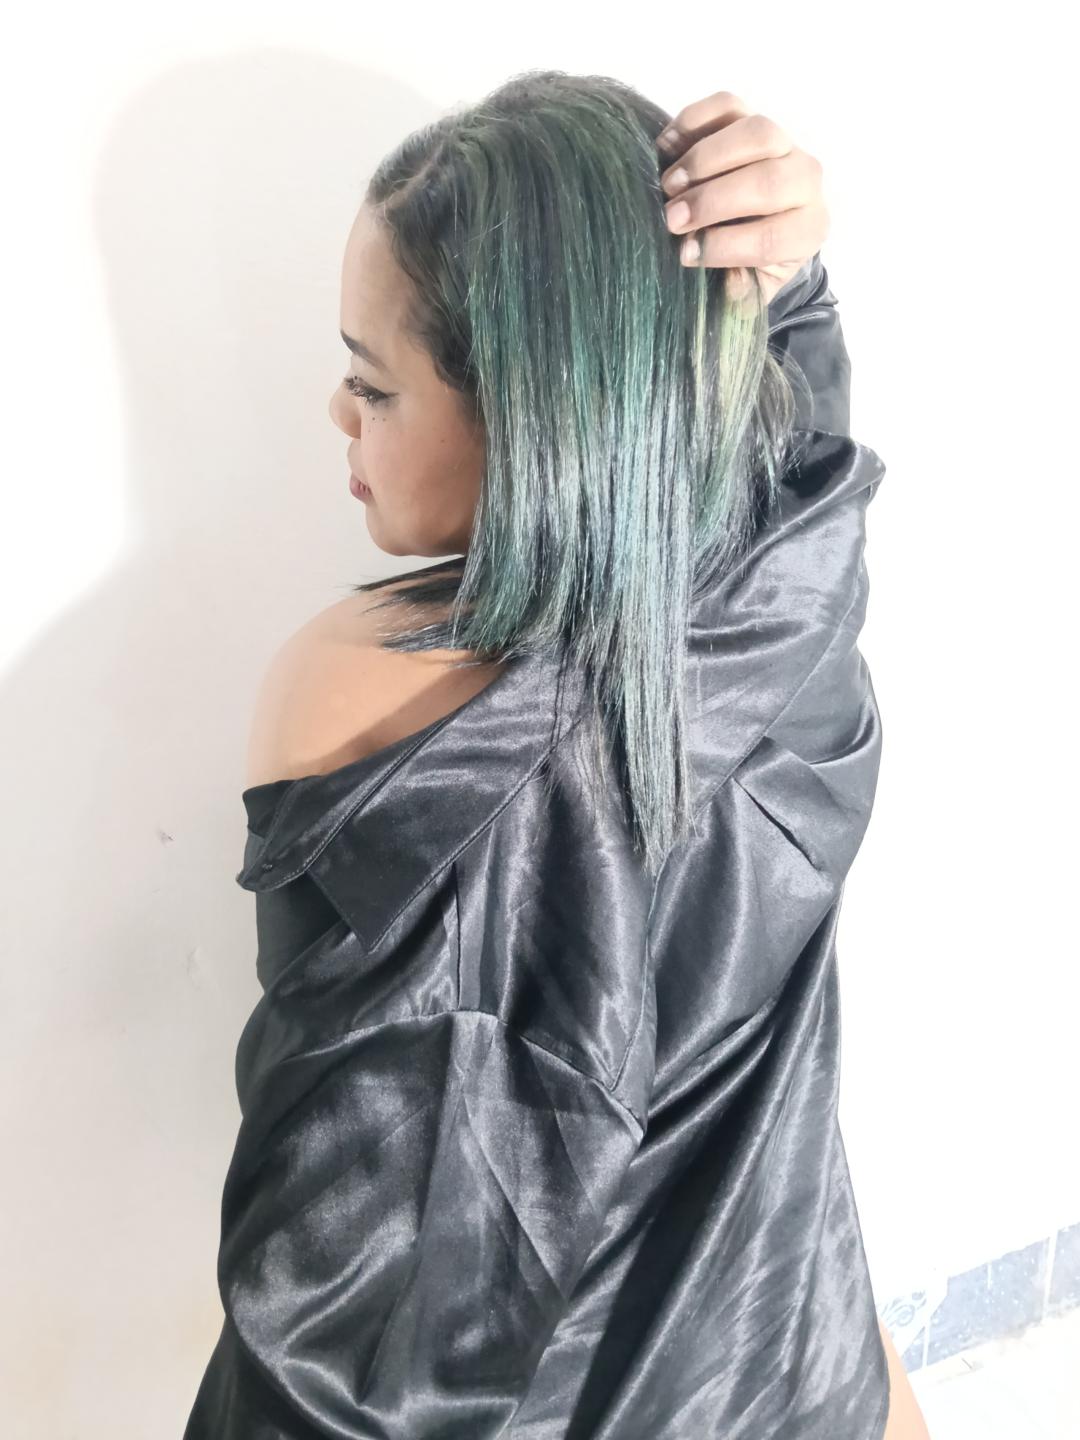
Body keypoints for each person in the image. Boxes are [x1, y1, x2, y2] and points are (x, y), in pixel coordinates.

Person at [184, 73, 931, 1440]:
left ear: (540, 419)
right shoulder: (799, 586)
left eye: (373, 384)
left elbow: (355, 1339)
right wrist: (789, 269)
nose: (339, 416)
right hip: (818, 1369)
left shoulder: (368, 707)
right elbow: (790, 404)